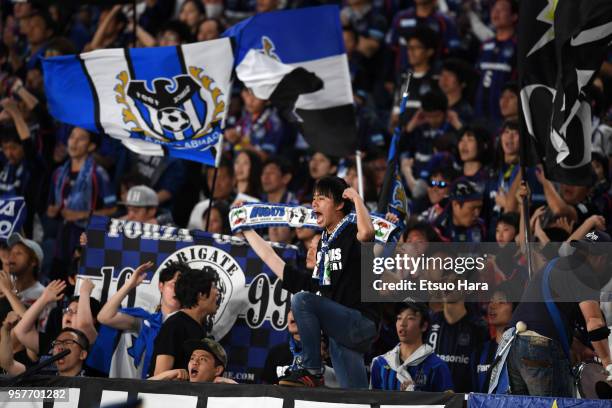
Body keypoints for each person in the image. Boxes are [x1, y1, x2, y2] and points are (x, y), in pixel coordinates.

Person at [242, 176, 378, 388]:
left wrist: (356, 198)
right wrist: (246, 229)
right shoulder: (319, 279)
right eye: (313, 198)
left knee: (301, 300)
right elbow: (271, 259)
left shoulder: (350, 231)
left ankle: (312, 370)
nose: (314, 203)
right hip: (341, 333)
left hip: (360, 322)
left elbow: (368, 233)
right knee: (355, 396)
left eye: (322, 198)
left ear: (340, 204)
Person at [507, 230, 612, 397]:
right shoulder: (585, 272)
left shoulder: (556, 265)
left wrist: (580, 348)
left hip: (513, 347)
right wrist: (608, 364)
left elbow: (544, 317)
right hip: (539, 348)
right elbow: (594, 322)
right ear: (603, 258)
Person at [97, 261, 181, 379]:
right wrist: (130, 284)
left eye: (181, 286)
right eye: (173, 285)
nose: (177, 291)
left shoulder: (187, 326)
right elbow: (104, 317)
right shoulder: (146, 322)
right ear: (161, 286)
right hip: (136, 390)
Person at [149, 263, 219, 376]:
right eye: (214, 287)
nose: (217, 293)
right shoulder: (175, 325)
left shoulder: (199, 327)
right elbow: (159, 376)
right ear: (201, 295)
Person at [370, 302, 453, 392]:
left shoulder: (437, 366)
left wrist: (416, 394)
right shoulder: (380, 363)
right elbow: (373, 402)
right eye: (399, 318)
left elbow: (447, 403)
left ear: (424, 326)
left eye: (410, 318)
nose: (402, 323)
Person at [149, 337, 236, 384]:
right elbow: (141, 388)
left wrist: (233, 387)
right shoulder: (179, 387)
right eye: (192, 358)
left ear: (217, 370)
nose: (195, 362)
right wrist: (169, 374)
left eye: (202, 359)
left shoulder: (222, 396)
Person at [433, 178, 486, 243]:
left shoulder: (480, 226)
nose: (477, 214)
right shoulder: (439, 228)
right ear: (455, 205)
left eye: (479, 208)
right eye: (472, 208)